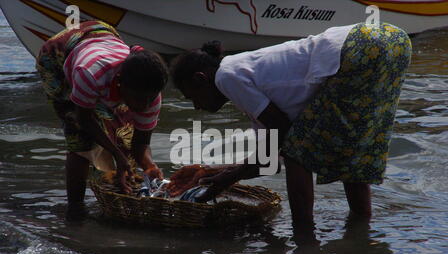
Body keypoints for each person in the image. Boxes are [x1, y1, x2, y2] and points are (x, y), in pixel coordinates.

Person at [169, 22, 412, 234]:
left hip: (356, 48)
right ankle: (361, 231)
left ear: (201, 79)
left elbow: (282, 134)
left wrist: (227, 179)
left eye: (192, 97)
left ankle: (304, 236)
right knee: (353, 149)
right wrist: (211, 173)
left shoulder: (225, 77)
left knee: (296, 148)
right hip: (393, 41)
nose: (197, 107)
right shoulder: (250, 74)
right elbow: (269, 161)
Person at [36, 21, 169, 220]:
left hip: (102, 32)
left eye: (150, 99)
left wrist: (149, 166)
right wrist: (115, 154)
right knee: (80, 139)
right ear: (119, 84)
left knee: (123, 134)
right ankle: (75, 208)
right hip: (57, 55)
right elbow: (84, 119)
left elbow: (141, 143)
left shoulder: (150, 95)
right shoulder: (90, 74)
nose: (145, 105)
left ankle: (116, 191)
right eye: (140, 100)